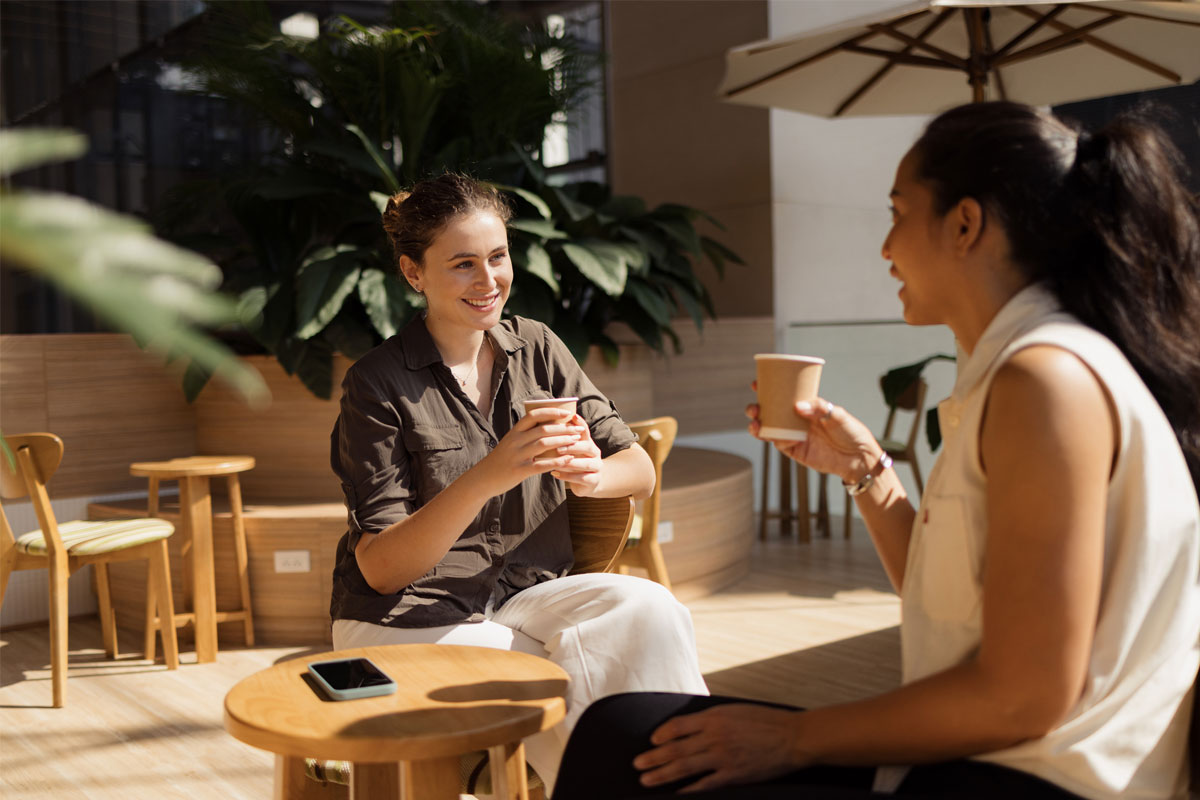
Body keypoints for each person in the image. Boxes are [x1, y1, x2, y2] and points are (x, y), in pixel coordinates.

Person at [551, 101, 1200, 800]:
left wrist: (793, 737)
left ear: (964, 223)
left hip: (1036, 782)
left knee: (625, 744)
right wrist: (866, 474)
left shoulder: (1046, 380)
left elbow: (1024, 697)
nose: (885, 247)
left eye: (897, 212)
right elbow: (958, 606)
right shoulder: (1030, 369)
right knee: (626, 729)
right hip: (1003, 763)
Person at [329, 173, 708, 791]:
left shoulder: (538, 347)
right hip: (410, 616)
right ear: (414, 273)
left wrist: (591, 474)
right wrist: (487, 476)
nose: (488, 281)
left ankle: (694, 772)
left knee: (649, 607)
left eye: (498, 257)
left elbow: (636, 468)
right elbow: (382, 569)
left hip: (523, 596)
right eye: (462, 264)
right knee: (571, 685)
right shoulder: (377, 384)